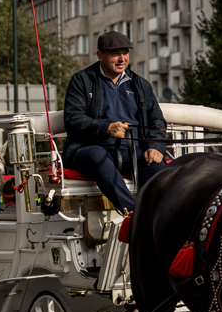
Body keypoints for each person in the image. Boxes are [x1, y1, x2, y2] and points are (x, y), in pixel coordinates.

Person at [62, 30, 168, 214]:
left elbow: (157, 121)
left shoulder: (141, 85)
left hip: (132, 151)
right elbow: (73, 119)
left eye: (125, 53)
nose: (122, 59)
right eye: (115, 53)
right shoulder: (81, 80)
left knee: (163, 174)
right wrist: (105, 128)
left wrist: (156, 146)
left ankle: (166, 218)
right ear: (100, 55)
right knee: (97, 155)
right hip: (89, 149)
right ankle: (134, 214)